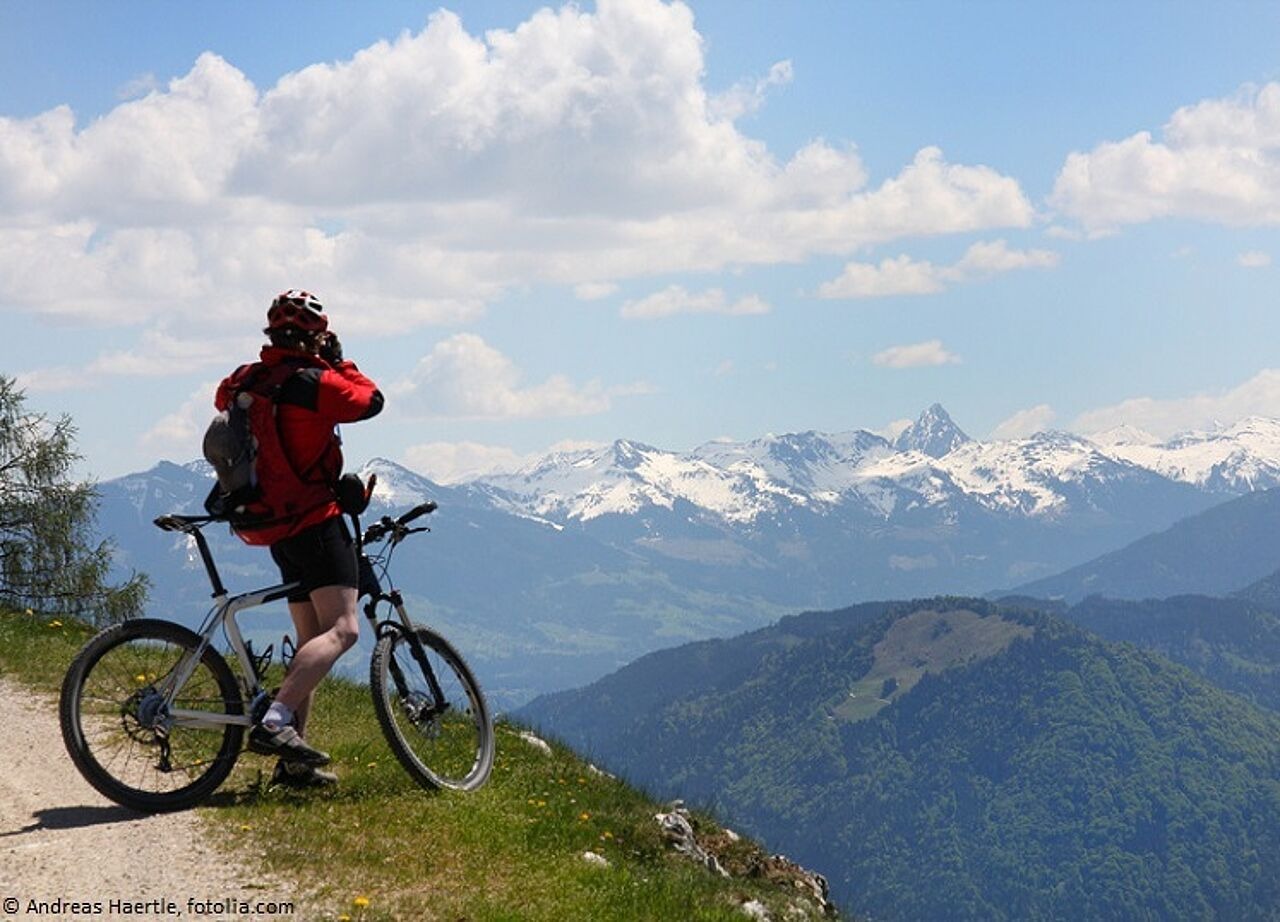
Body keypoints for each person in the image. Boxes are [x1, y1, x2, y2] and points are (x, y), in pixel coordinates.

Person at [216, 289, 384, 788]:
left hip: (269, 525)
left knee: (312, 639)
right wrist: (340, 361)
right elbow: (370, 401)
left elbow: (222, 400)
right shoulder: (315, 382)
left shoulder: (245, 380)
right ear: (316, 335)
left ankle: (293, 767)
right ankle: (275, 720)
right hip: (313, 520)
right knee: (345, 630)